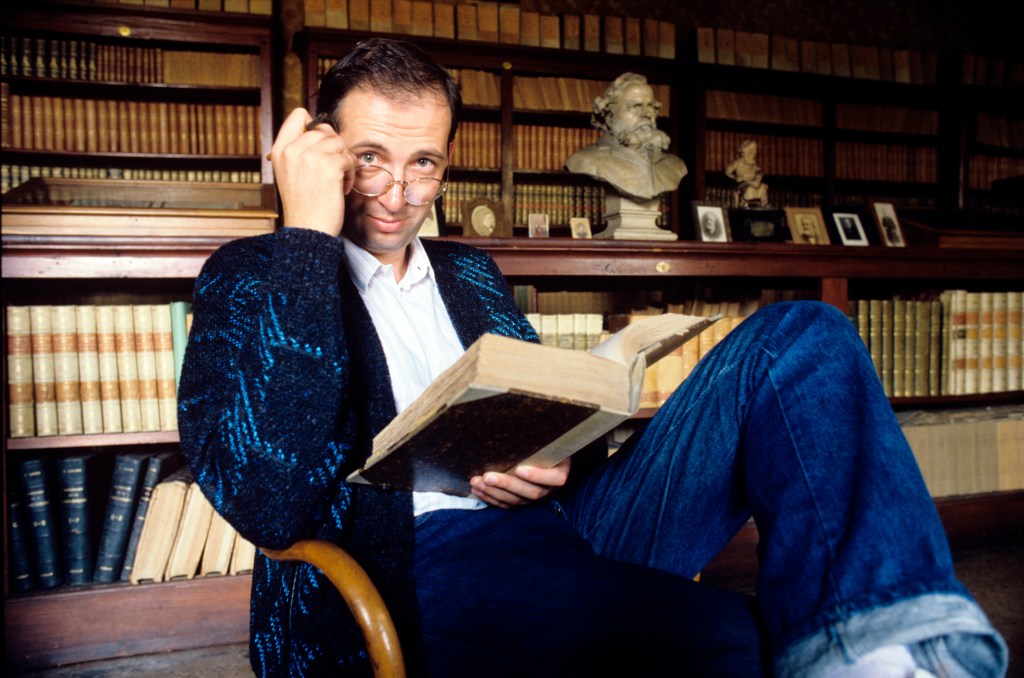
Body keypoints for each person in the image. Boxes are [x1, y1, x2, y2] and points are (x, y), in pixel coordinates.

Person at [177, 38, 1007, 677]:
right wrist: (307, 240)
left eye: (423, 163)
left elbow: (539, 412)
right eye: (370, 161)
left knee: (804, 336)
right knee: (746, 647)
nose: (397, 194)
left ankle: (886, 635)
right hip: (414, 566)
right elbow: (269, 503)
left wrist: (552, 461)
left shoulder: (469, 272)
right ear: (321, 151)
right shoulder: (252, 275)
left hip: (561, 524)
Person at [564, 72, 687, 202]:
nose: (647, 114)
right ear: (610, 115)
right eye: (636, 106)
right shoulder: (587, 160)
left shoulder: (676, 166)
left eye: (651, 106)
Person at [725, 139, 770, 208]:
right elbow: (727, 172)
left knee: (763, 187)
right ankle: (744, 201)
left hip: (752, 182)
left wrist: (759, 174)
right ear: (746, 152)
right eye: (751, 152)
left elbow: (759, 172)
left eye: (754, 152)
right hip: (742, 184)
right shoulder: (738, 163)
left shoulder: (754, 165)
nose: (754, 154)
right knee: (750, 188)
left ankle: (764, 205)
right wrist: (735, 177)